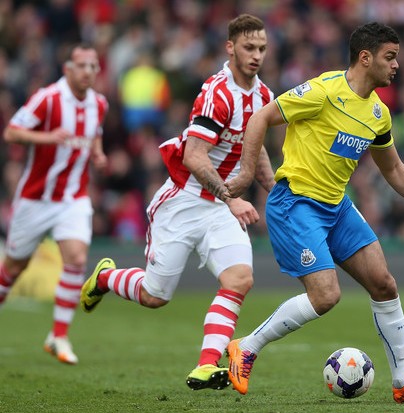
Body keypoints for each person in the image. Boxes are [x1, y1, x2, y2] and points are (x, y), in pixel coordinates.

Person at [225, 22, 404, 403]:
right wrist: (248, 173)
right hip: (296, 203)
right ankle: (246, 347)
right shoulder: (323, 91)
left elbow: (393, 169)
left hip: (336, 206)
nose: (396, 65)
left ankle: (403, 381)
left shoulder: (379, 114)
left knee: (384, 283)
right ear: (365, 58)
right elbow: (260, 117)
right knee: (326, 295)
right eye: (390, 57)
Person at [80, 14, 275, 390]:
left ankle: (206, 365)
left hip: (220, 206)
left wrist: (278, 191)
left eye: (262, 48)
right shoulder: (217, 93)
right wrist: (232, 199)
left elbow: (255, 149)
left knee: (239, 279)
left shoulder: (263, 96)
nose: (256, 55)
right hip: (184, 201)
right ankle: (104, 277)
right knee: (154, 296)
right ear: (230, 48)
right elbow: (194, 156)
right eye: (249, 47)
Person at [0, 44, 108, 364]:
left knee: (76, 258)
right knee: (14, 267)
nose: (88, 71)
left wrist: (98, 153)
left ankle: (58, 336)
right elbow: (11, 133)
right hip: (36, 199)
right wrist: (47, 138)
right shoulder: (47, 99)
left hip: (74, 198)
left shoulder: (99, 104)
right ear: (68, 69)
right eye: (82, 65)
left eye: (93, 66)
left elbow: (95, 134)